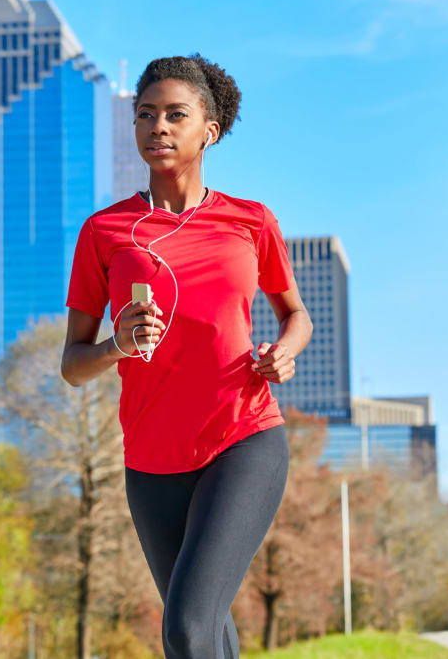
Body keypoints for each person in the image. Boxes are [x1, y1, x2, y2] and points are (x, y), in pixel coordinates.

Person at [61, 53, 312, 658]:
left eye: (176, 114)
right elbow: (73, 363)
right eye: (146, 115)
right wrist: (116, 344)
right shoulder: (105, 232)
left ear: (210, 129)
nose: (159, 127)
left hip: (242, 436)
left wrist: (284, 352)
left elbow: (295, 315)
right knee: (204, 625)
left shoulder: (250, 222)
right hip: (151, 458)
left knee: (188, 624)